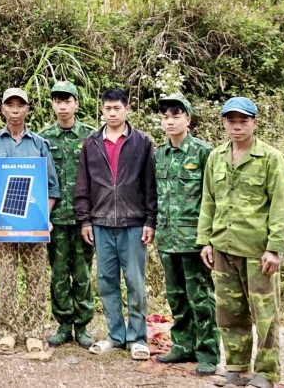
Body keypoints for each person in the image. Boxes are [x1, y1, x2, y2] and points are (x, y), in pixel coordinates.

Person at [197, 97, 284, 388]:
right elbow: (208, 201)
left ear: (255, 123)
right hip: (223, 247)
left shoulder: (270, 158)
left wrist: (274, 248)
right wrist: (205, 241)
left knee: (264, 314)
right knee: (229, 313)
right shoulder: (216, 157)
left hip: (257, 251)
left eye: (243, 121)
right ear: (224, 123)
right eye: (231, 121)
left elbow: (280, 206)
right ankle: (236, 368)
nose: (237, 127)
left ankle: (266, 372)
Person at [74, 87, 157, 361]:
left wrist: (150, 219)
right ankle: (115, 334)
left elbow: (150, 184)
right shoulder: (91, 143)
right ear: (102, 109)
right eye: (108, 108)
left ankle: (137, 338)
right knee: (106, 282)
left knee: (135, 282)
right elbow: (83, 184)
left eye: (117, 108)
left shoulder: (141, 142)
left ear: (127, 109)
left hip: (133, 223)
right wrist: (85, 220)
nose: (112, 113)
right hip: (101, 222)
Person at [0, 87, 60, 356]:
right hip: (4, 224)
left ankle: (35, 332)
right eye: (10, 105)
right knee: (6, 278)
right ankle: (8, 330)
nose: (15, 110)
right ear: (2, 109)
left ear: (27, 109)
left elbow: (52, 187)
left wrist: (44, 217)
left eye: (20, 105)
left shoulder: (39, 144)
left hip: (33, 226)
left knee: (36, 278)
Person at [153, 93, 219, 375]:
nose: (170, 121)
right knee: (176, 297)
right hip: (167, 238)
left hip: (194, 241)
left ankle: (207, 353)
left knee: (200, 298)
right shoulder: (160, 154)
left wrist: (209, 239)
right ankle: (182, 345)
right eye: (166, 117)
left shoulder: (204, 152)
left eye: (176, 116)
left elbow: (213, 197)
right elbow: (156, 195)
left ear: (188, 119)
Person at [37, 80, 97, 349]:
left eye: (67, 101)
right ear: (53, 104)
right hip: (55, 219)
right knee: (59, 273)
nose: (62, 106)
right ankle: (63, 324)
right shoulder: (42, 139)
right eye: (58, 101)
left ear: (76, 104)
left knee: (82, 272)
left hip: (84, 218)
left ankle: (82, 325)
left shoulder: (91, 137)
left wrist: (93, 216)